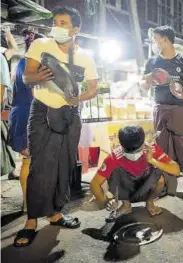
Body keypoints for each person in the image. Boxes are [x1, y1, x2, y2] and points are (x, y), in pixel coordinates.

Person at [14, 6, 99, 247]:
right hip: (42, 111)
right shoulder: (41, 46)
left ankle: (56, 213)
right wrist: (44, 76)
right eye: (55, 22)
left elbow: (93, 88)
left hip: (70, 114)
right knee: (39, 166)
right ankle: (31, 221)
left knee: (65, 165)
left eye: (62, 23)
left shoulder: (86, 57)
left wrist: (78, 98)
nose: (57, 27)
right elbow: (27, 77)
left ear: (75, 29)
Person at [140, 26, 183, 197]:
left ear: (165, 39)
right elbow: (143, 84)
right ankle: (163, 186)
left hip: (180, 108)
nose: (154, 42)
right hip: (160, 107)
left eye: (155, 39)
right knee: (161, 147)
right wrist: (148, 82)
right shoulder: (152, 62)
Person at [90, 125, 181, 217]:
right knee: (114, 173)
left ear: (143, 143)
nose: (134, 154)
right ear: (121, 145)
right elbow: (94, 183)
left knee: (160, 177)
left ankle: (150, 202)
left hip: (146, 189)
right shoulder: (114, 157)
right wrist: (106, 202)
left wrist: (152, 160)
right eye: (130, 152)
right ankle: (126, 205)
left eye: (137, 150)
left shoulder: (152, 149)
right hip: (126, 192)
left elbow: (176, 170)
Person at [8, 30, 44, 212]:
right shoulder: (29, 64)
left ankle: (29, 202)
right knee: (29, 161)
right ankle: (28, 204)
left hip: (22, 114)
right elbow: (35, 93)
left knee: (29, 161)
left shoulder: (22, 63)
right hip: (27, 117)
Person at [1, 52, 16, 179]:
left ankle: (11, 170)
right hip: (4, 108)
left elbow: (3, 88)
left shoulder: (2, 59)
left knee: (7, 139)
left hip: (6, 108)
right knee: (6, 139)